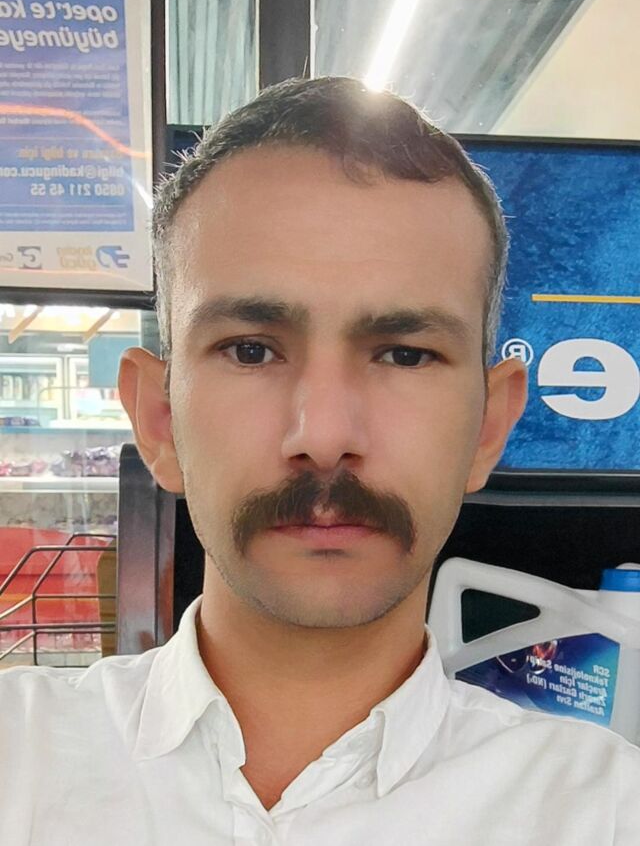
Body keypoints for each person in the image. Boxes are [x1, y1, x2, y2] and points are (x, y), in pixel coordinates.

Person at [1, 77, 638, 845]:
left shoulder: (606, 812)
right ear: (159, 420)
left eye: (404, 353)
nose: (326, 434)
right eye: (251, 349)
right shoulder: (19, 761)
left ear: (488, 426)